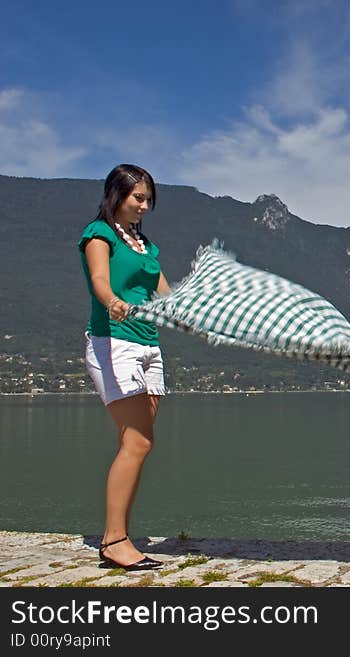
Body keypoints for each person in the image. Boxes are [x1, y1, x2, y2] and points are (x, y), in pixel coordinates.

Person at [79, 164, 170, 570]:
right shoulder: (98, 235)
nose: (144, 205)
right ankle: (114, 541)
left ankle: (119, 534)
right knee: (136, 441)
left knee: (140, 442)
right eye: (137, 197)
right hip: (113, 343)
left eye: (148, 199)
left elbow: (168, 296)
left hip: (149, 346)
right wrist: (113, 302)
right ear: (115, 195)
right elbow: (99, 279)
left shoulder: (146, 247)